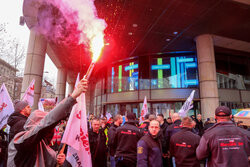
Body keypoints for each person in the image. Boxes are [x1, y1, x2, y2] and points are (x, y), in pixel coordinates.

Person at [7, 78, 88, 167]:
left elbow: (54, 162)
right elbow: (48, 121)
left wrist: (60, 162)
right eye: (48, 127)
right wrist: (72, 97)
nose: (50, 129)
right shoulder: (20, 140)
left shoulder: (45, 147)